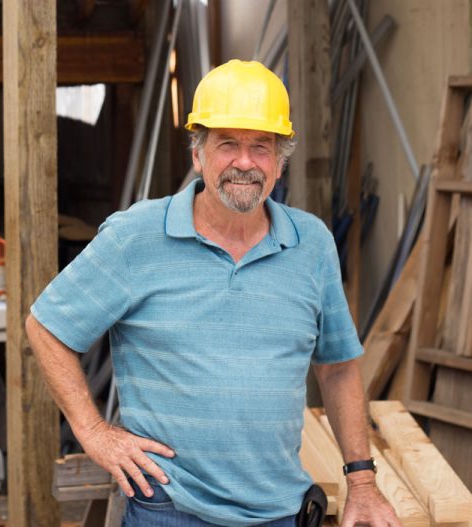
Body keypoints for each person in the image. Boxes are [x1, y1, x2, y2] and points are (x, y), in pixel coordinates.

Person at [26, 60, 401, 527]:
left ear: (280, 162)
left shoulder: (313, 243)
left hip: (280, 512)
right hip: (168, 509)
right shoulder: (135, 237)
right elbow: (46, 325)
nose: (244, 162)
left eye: (261, 147)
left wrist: (362, 481)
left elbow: (339, 366)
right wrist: (94, 431)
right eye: (227, 144)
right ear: (198, 155)